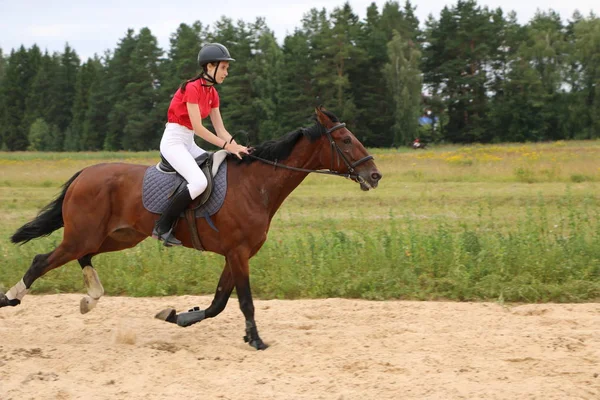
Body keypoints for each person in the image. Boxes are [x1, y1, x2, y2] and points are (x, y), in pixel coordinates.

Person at [152, 43, 250, 247]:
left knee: (216, 166)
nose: (226, 73)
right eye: (223, 68)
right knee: (199, 183)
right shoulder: (192, 88)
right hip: (173, 142)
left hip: (188, 142)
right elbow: (198, 128)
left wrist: (238, 147)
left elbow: (221, 130)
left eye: (227, 69)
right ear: (209, 67)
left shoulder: (212, 93)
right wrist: (227, 146)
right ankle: (162, 227)